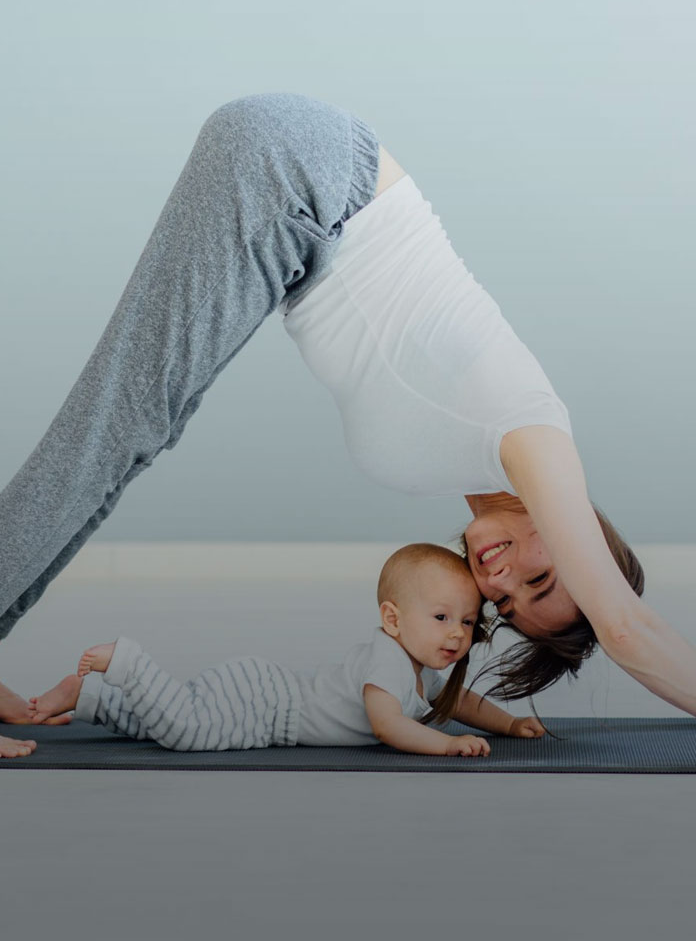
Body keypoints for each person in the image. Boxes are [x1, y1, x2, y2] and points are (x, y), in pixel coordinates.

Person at [1, 91, 694, 758]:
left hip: (303, 196)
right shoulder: (535, 437)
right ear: (583, 538)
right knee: (115, 430)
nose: (500, 581)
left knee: (135, 431)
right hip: (304, 176)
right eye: (541, 580)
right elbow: (627, 629)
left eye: (506, 606)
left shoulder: (477, 469)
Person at [27, 544, 544, 755]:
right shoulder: (387, 658)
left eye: (467, 622)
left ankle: (90, 698)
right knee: (184, 731)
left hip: (264, 694)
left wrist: (509, 723)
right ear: (392, 618)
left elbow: (460, 703)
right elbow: (388, 726)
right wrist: (447, 746)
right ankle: (127, 662)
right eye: (441, 618)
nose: (457, 634)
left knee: (160, 722)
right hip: (267, 708)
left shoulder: (418, 669)